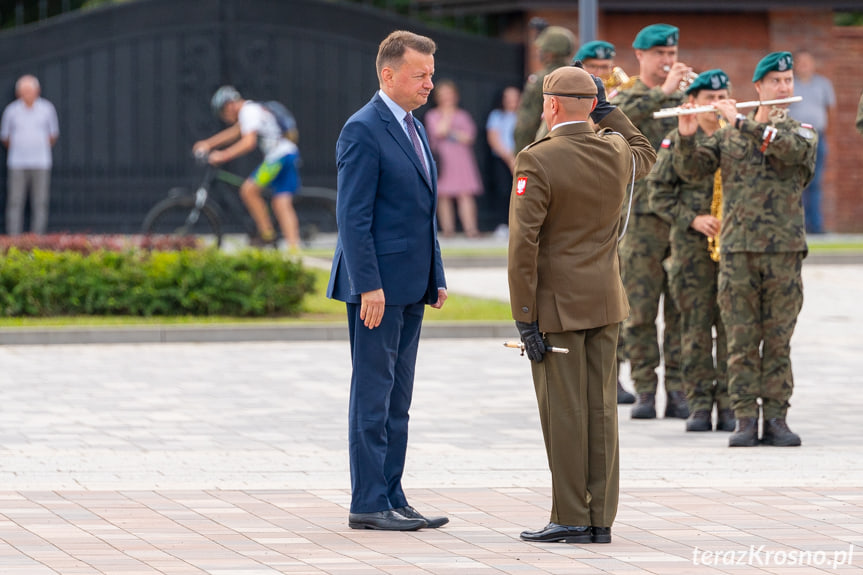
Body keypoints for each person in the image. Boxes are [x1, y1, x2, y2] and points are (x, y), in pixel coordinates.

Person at [510, 65, 656, 545]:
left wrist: (524, 319)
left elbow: (522, 248)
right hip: (606, 302)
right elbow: (645, 152)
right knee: (601, 413)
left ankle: (571, 514)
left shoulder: (538, 160)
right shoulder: (615, 150)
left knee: (565, 413)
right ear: (593, 105)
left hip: (558, 310)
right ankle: (601, 519)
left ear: (551, 105)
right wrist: (611, 111)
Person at [326, 30, 448, 531]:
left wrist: (435, 273)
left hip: (411, 282)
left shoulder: (414, 127)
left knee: (399, 398)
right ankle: (369, 502)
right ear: (388, 74)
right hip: (377, 289)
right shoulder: (363, 128)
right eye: (420, 75)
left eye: (431, 75)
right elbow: (352, 217)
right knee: (373, 397)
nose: (429, 84)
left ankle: (393, 495)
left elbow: (422, 211)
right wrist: (368, 284)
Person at [672, 52, 816, 447]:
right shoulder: (725, 135)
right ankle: (745, 419)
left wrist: (741, 121)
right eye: (775, 81)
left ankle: (776, 419)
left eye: (788, 80)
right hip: (737, 252)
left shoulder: (801, 130)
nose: (784, 87)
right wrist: (686, 135)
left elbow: (789, 151)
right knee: (739, 338)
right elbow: (692, 170)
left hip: (783, 251)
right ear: (758, 88)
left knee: (778, 339)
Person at [610, 23, 692, 421]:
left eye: (672, 53)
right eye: (660, 54)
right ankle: (645, 388)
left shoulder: (689, 95)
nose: (668, 61)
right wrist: (662, 94)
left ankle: (678, 389)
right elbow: (616, 125)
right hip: (641, 218)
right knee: (639, 310)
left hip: (681, 215)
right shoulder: (625, 95)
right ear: (640, 55)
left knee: (680, 308)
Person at [648, 70, 735, 433]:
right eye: (708, 100)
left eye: (722, 97)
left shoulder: (739, 138)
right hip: (692, 249)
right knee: (695, 329)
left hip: (735, 248)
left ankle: (731, 405)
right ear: (693, 103)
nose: (715, 106)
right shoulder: (677, 140)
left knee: (733, 331)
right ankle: (698, 404)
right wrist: (693, 219)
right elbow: (658, 194)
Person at [192, 86, 301, 251]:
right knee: (281, 203)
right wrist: (208, 144)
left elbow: (248, 142)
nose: (224, 117)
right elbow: (234, 133)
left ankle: (267, 236)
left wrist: (223, 155)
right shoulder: (252, 110)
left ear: (229, 105)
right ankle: (294, 249)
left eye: (222, 112)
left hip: (278, 158)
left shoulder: (248, 111)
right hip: (288, 153)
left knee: (248, 191)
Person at [0, 75, 59, 236]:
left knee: (40, 202)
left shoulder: (47, 109)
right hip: (17, 163)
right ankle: (13, 238)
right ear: (18, 93)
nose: (27, 94)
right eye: (24, 91)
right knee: (15, 201)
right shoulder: (11, 111)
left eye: (30, 90)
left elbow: (53, 135)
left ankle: (38, 237)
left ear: (37, 91)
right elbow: (5, 137)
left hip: (41, 162)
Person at [425, 79, 483, 238]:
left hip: (461, 159)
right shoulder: (432, 115)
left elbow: (469, 137)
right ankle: (448, 230)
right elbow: (439, 131)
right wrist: (448, 115)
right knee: (443, 195)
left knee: (465, 193)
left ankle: (471, 229)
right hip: (443, 159)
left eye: (449, 94)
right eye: (443, 94)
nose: (447, 98)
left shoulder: (463, 115)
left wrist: (451, 133)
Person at [788, 51, 835, 234]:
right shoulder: (791, 85)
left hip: (818, 138)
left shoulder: (823, 84)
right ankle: (798, 225)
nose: (804, 66)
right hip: (795, 139)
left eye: (808, 62)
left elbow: (830, 111)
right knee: (795, 181)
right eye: (801, 62)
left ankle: (816, 226)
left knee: (815, 182)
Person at [513, 25, 576, 153]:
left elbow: (528, 121)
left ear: (550, 52)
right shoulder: (577, 76)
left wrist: (520, 153)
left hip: (540, 151)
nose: (538, 52)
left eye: (541, 49)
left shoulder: (542, 79)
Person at [486, 85, 520, 238]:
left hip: (522, 157)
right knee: (503, 190)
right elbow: (493, 138)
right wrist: (509, 158)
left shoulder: (523, 116)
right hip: (502, 159)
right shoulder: (496, 115)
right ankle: (502, 224)